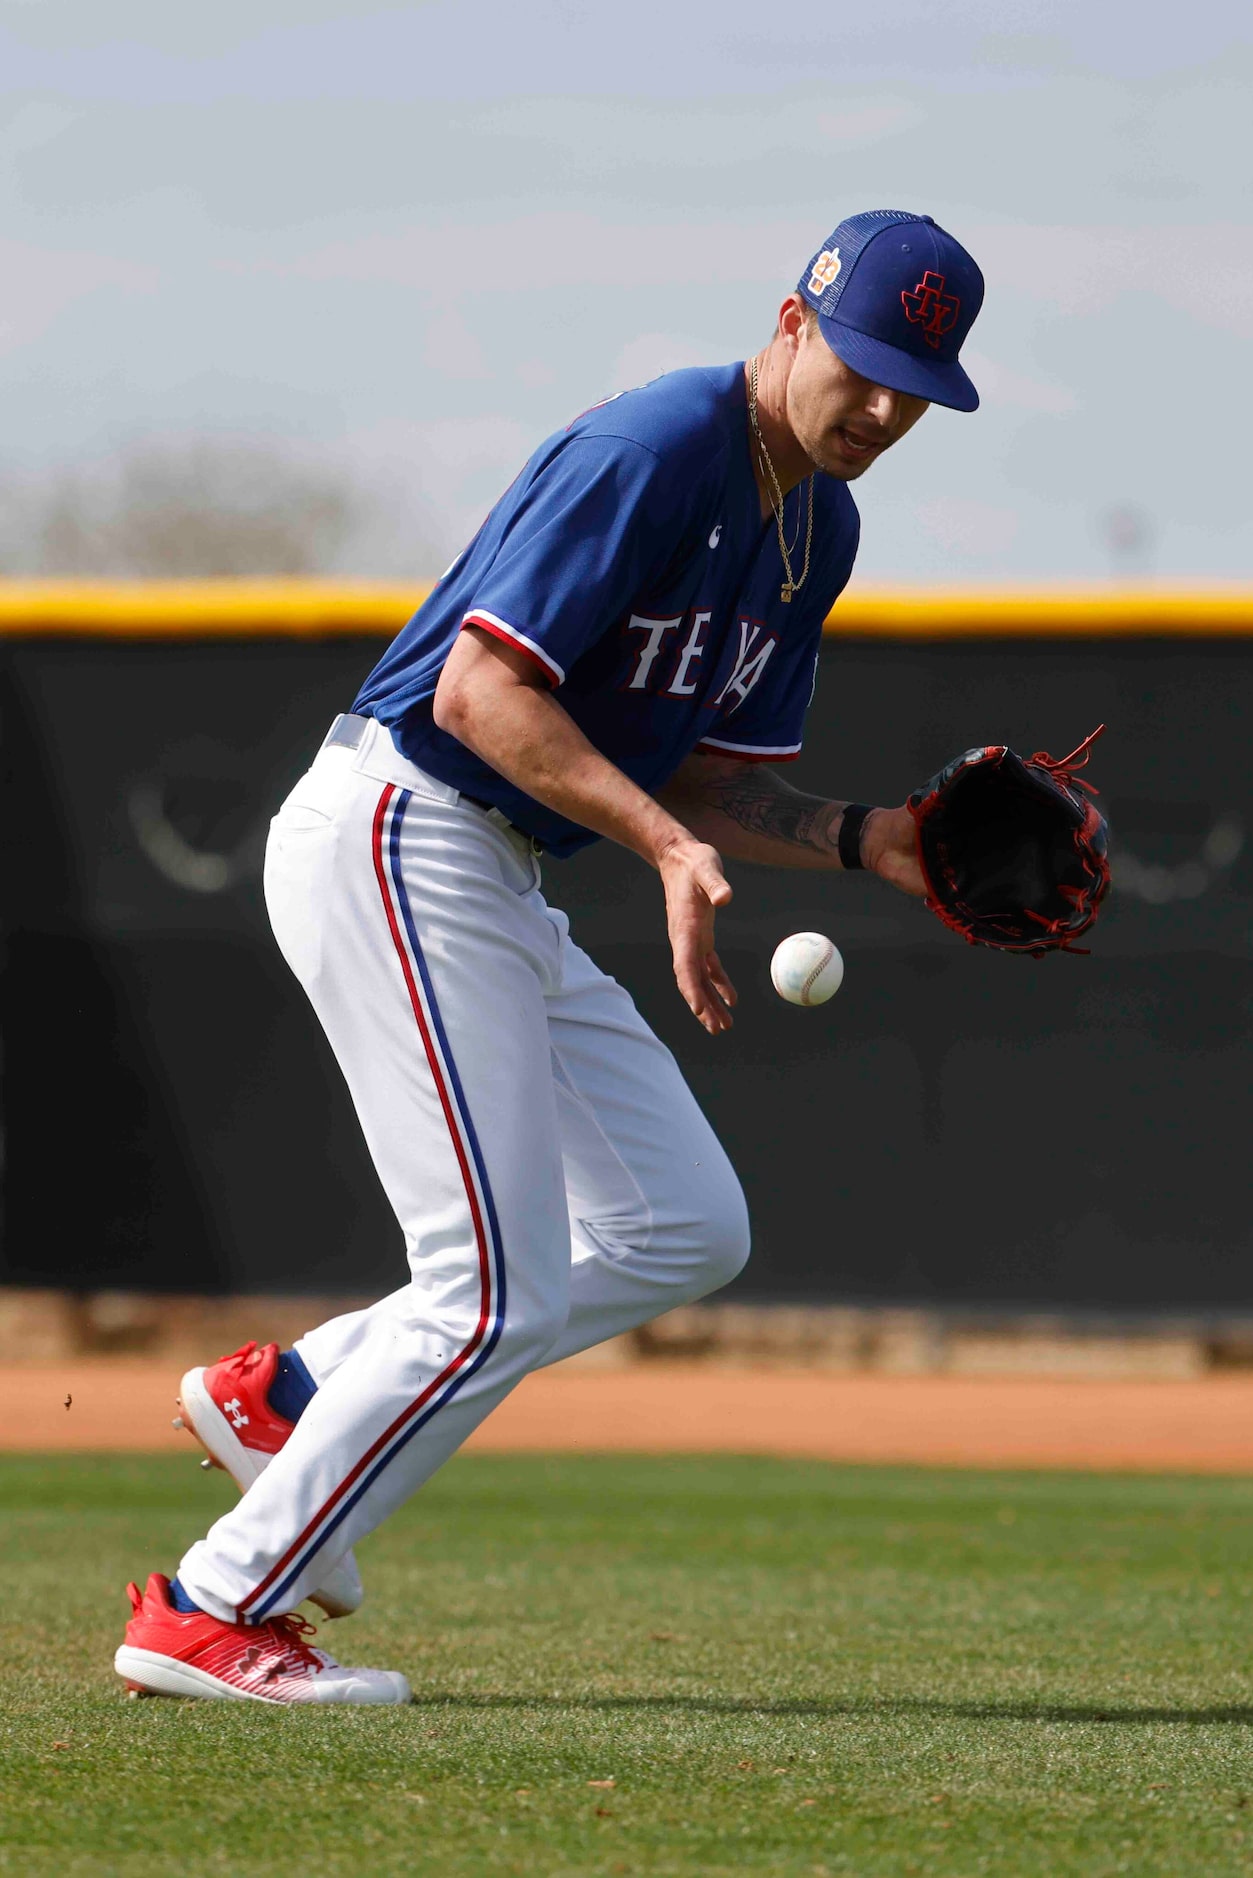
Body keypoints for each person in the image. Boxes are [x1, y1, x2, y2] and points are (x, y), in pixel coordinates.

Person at [115, 209, 985, 1704]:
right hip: (403, 826)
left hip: (496, 870)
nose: (885, 407)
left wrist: (868, 839)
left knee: (682, 1224)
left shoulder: (815, 529)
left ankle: (298, 1388)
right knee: (488, 1289)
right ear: (791, 320)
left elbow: (709, 777)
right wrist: (654, 844)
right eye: (864, 365)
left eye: (919, 383)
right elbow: (475, 695)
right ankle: (211, 1603)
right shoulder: (652, 448)